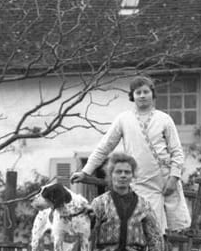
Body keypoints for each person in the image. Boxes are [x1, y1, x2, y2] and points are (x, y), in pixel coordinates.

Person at [71, 75, 191, 231]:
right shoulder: (123, 119)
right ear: (132, 96)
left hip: (163, 181)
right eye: (138, 92)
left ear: (152, 94)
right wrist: (85, 171)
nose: (142, 95)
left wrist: (173, 179)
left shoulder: (164, 119)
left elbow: (177, 152)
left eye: (146, 92)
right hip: (139, 181)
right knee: (140, 225)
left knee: (162, 229)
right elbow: (104, 147)